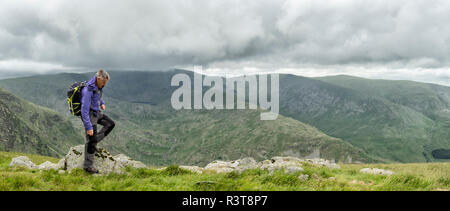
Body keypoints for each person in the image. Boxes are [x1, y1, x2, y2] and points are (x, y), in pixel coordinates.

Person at [80, 69, 115, 174]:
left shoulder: (98, 86)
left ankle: (93, 142)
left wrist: (101, 103)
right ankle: (88, 166)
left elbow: (98, 95)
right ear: (99, 79)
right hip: (90, 115)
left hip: (96, 112)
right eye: (104, 82)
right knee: (91, 139)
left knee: (110, 124)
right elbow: (84, 110)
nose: (104, 85)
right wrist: (88, 127)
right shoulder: (88, 91)